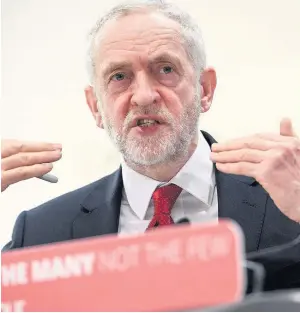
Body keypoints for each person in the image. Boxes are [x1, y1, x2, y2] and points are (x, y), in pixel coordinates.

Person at [1, 0, 300, 292]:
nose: (143, 96)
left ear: (205, 89)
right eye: (119, 76)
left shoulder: (286, 200)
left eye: (166, 69)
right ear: (95, 107)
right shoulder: (40, 235)